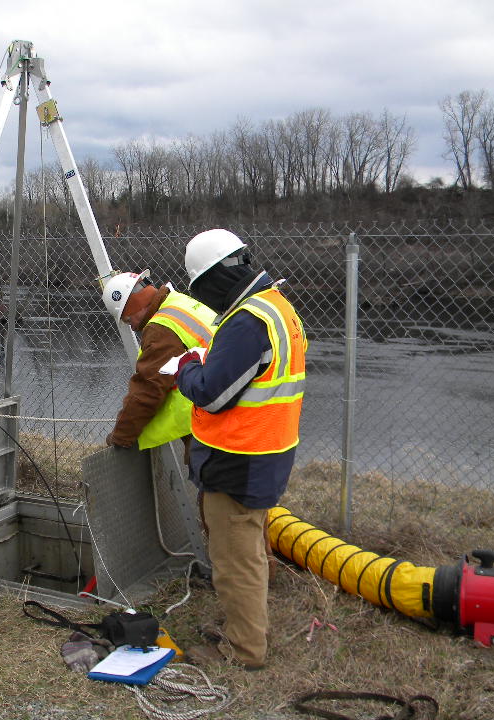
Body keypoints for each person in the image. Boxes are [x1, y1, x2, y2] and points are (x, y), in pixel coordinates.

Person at [173, 229, 307, 670]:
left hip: (239, 458)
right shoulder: (277, 308)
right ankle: (245, 628)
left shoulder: (247, 321)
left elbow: (211, 393)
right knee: (248, 548)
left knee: (236, 558)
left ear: (210, 279)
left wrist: (188, 366)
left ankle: (244, 649)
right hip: (267, 450)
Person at [101, 269, 215, 456]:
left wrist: (120, 437)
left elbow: (148, 388)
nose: (133, 326)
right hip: (227, 407)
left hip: (208, 425)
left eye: (128, 319)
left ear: (136, 305)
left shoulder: (160, 329)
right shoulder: (179, 302)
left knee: (214, 482)